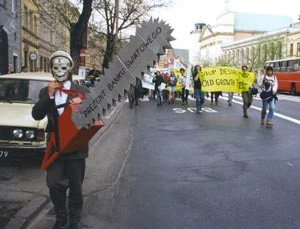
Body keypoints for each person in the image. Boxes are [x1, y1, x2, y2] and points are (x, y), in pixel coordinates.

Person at [32, 50, 90, 229]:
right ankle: (60, 216)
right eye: (55, 67)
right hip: (56, 148)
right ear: (51, 69)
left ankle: (74, 221)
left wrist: (80, 111)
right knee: (53, 183)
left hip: (76, 149)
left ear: (70, 68)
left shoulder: (81, 90)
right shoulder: (45, 91)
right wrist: (49, 96)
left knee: (76, 188)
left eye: (63, 66)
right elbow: (36, 114)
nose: (59, 70)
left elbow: (94, 117)